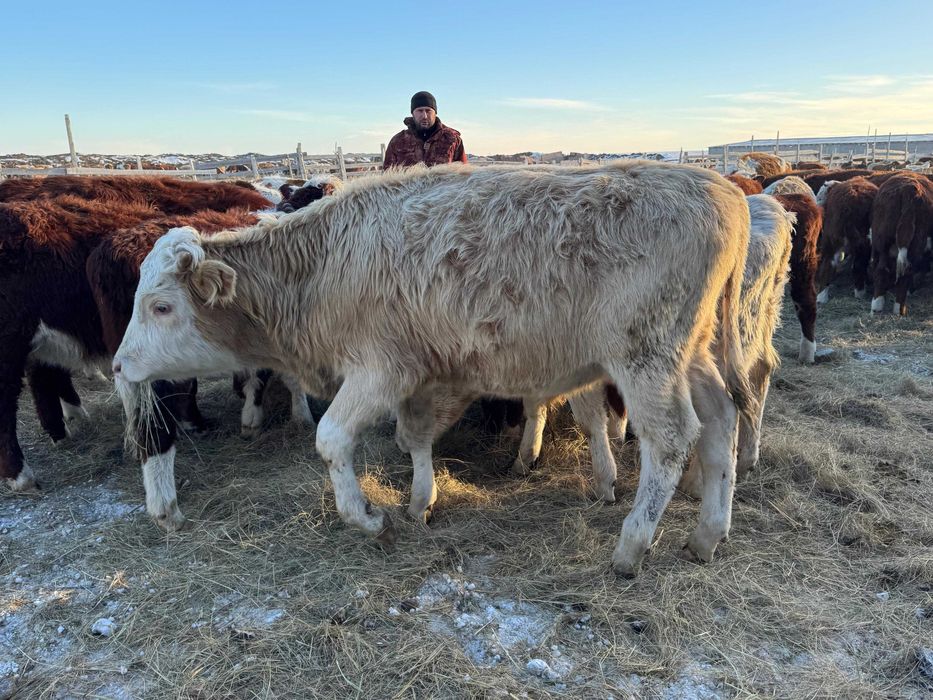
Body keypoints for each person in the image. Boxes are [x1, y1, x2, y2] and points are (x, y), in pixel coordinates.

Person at [383, 91, 468, 169]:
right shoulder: (398, 141)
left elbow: (464, 175)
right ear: (413, 113)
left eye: (428, 111)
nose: (424, 116)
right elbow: (387, 178)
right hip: (409, 186)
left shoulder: (452, 139)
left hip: (443, 186)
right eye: (420, 111)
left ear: (435, 113)